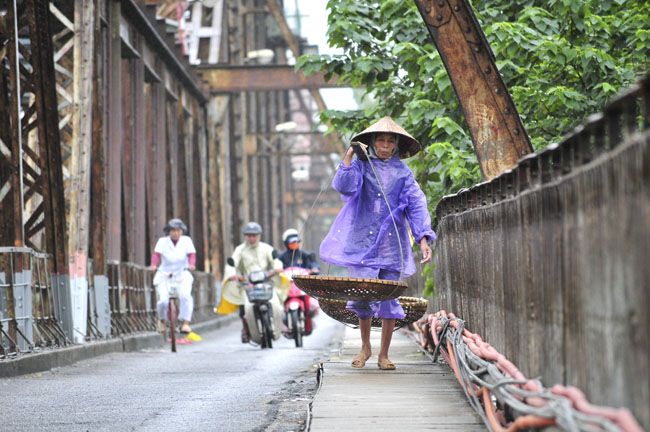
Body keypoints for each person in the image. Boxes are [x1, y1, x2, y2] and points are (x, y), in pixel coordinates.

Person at [320, 116, 435, 370]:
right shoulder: (362, 166)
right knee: (362, 298)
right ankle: (365, 347)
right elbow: (345, 187)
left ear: (395, 145)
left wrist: (423, 238)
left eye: (390, 141)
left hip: (392, 245)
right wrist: (350, 155)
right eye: (380, 140)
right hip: (360, 241)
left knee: (388, 298)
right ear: (372, 143)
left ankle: (384, 354)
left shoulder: (403, 173)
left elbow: (416, 204)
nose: (385, 145)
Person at [217, 222, 284, 343]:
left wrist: (277, 268)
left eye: (254, 235)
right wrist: (232, 273)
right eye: (249, 235)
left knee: (276, 301)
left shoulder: (267, 248)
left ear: (259, 235)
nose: (252, 238)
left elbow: (275, 260)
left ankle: (279, 321)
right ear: (245, 236)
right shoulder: (240, 250)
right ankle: (245, 328)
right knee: (243, 306)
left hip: (265, 281)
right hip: (248, 284)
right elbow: (232, 262)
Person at [150, 218, 197, 334]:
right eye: (173, 230)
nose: (176, 233)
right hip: (165, 273)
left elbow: (191, 255)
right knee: (162, 301)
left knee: (185, 296)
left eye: (178, 230)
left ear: (182, 231)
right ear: (169, 231)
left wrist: (191, 265)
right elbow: (156, 255)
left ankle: (185, 323)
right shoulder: (162, 241)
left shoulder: (187, 241)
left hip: (182, 272)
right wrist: (153, 265)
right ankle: (162, 320)